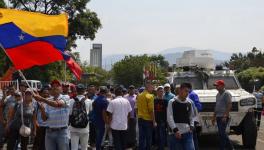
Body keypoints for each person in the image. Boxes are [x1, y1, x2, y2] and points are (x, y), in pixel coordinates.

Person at [33, 79, 70, 150]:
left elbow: (57, 104)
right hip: (49, 132)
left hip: (61, 132)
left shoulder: (66, 97)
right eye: (53, 86)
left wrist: (42, 99)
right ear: (51, 89)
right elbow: (44, 119)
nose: (55, 87)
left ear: (61, 89)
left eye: (57, 85)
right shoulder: (49, 100)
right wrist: (42, 110)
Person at [167, 83, 195, 150]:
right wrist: (175, 130)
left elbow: (191, 116)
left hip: (187, 133)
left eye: (188, 91)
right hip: (175, 134)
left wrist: (191, 126)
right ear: (180, 90)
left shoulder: (189, 103)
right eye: (186, 91)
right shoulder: (172, 102)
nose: (187, 93)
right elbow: (169, 117)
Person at [212, 80, 234, 150]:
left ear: (222, 85)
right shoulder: (218, 95)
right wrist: (214, 116)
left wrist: (225, 115)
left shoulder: (226, 93)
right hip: (218, 116)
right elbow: (216, 106)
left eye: (217, 85)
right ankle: (227, 148)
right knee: (221, 134)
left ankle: (226, 148)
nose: (216, 87)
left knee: (222, 133)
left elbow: (229, 105)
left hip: (223, 116)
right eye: (216, 86)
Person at [69, 84, 93, 150]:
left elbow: (70, 113)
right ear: (84, 91)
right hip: (85, 128)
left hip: (73, 128)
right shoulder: (89, 101)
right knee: (84, 147)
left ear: (76, 90)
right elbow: (90, 111)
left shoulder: (71, 101)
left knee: (74, 148)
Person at [136, 81, 155, 150]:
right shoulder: (150, 96)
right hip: (147, 120)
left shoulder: (139, 96)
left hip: (140, 119)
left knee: (142, 137)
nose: (153, 88)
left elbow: (137, 108)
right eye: (152, 87)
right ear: (148, 87)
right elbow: (151, 110)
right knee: (148, 138)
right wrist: (154, 121)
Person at [186, 83, 202, 150]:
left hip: (193, 119)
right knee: (193, 136)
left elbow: (198, 106)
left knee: (193, 136)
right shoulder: (190, 94)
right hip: (192, 118)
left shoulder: (192, 94)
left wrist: (194, 114)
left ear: (189, 88)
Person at [154, 86, 167, 150]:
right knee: (157, 135)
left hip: (163, 120)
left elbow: (167, 111)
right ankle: (158, 147)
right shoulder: (154, 100)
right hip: (156, 120)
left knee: (162, 135)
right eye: (160, 91)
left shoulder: (165, 101)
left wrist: (166, 121)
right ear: (157, 92)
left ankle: (161, 147)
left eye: (162, 91)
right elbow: (153, 111)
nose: (161, 92)